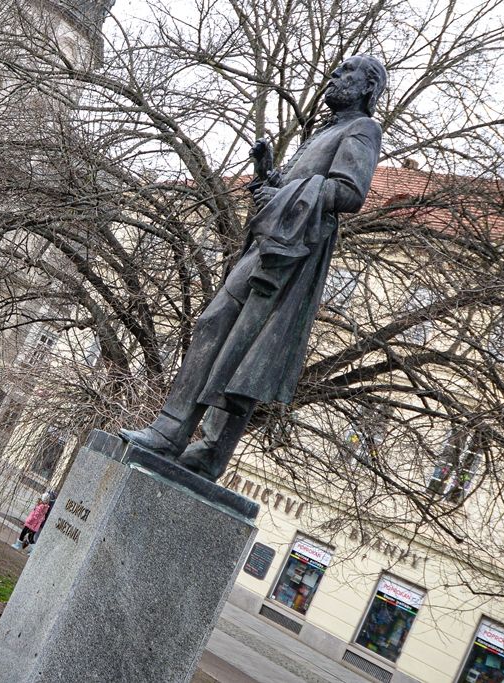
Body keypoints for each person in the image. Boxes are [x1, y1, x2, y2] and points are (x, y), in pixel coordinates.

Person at [121, 55, 386, 481]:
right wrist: (268, 175)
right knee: (215, 328)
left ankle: (205, 453)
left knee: (245, 349)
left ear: (367, 88)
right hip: (270, 246)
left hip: (292, 255)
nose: (333, 76)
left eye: (345, 73)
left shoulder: (363, 129)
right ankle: (172, 432)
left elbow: (349, 193)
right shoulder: (326, 131)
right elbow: (292, 190)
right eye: (334, 70)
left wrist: (288, 195)